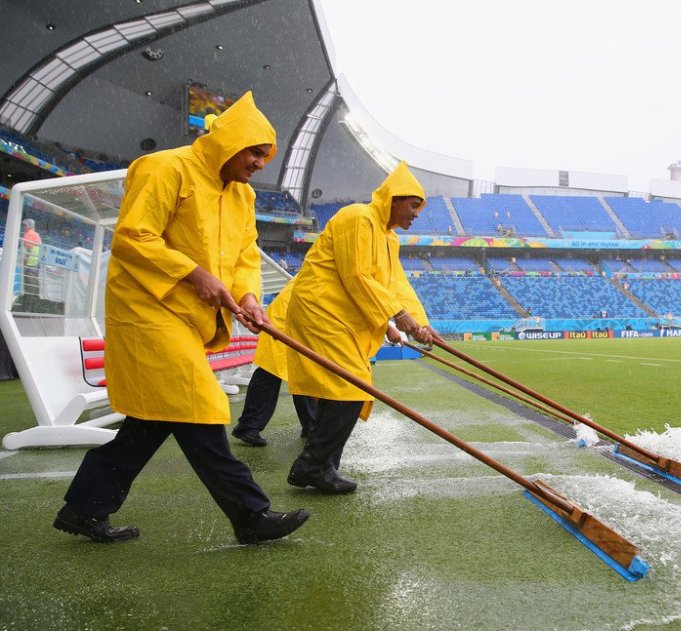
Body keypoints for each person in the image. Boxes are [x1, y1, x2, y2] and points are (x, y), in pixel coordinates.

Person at [54, 92, 309, 545]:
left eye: (265, 155)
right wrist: (193, 275)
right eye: (254, 152)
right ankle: (251, 514)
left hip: (188, 318)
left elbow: (245, 253)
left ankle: (84, 507)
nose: (259, 163)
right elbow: (134, 237)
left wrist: (248, 295)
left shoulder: (243, 195)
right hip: (147, 309)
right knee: (201, 404)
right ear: (229, 143)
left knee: (152, 420)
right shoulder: (165, 167)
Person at [284, 162, 434, 494]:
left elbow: (397, 285)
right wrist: (397, 315)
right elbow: (357, 275)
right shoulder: (358, 218)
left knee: (342, 389)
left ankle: (322, 467)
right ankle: (312, 465)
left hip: (341, 317)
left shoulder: (388, 239)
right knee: (353, 387)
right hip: (321, 311)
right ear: (395, 199)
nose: (416, 214)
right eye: (413, 205)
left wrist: (420, 323)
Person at [231, 278, 317, 447]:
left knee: (300, 375)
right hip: (284, 323)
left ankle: (311, 426)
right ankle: (248, 426)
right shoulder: (327, 271)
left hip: (295, 323)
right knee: (272, 373)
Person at [20, 218, 41, 298]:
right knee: (34, 283)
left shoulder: (29, 233)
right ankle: (34, 300)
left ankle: (29, 302)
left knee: (29, 285)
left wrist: (25, 261)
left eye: (25, 225)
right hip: (35, 264)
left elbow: (29, 248)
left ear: (30, 226)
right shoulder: (36, 234)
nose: (24, 227)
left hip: (30, 264)